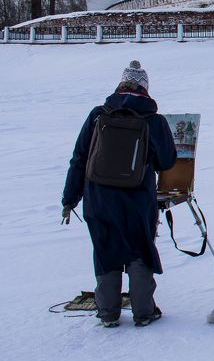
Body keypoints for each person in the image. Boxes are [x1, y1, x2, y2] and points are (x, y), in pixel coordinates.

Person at [62, 61, 177, 327]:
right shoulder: (154, 120)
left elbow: (79, 158)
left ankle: (108, 313)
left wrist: (70, 197)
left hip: (98, 198)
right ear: (145, 89)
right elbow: (167, 161)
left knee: (105, 249)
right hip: (138, 198)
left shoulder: (97, 115)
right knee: (140, 250)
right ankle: (144, 312)